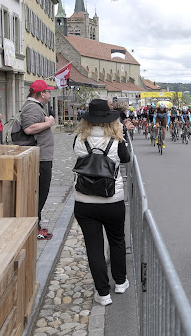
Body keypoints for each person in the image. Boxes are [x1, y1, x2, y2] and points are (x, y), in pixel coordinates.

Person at [73, 99, 131, 306]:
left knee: (94, 247)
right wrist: (121, 134)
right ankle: (121, 282)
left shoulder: (79, 139)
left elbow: (80, 157)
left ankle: (103, 293)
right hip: (112, 199)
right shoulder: (117, 141)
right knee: (117, 240)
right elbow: (126, 159)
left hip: (84, 201)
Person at [21, 80, 56, 240]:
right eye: (48, 91)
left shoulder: (35, 107)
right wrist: (48, 122)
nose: (50, 94)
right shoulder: (32, 107)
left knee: (41, 192)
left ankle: (36, 225)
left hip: (42, 156)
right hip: (40, 157)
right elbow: (28, 128)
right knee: (40, 193)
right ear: (42, 94)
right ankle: (34, 228)